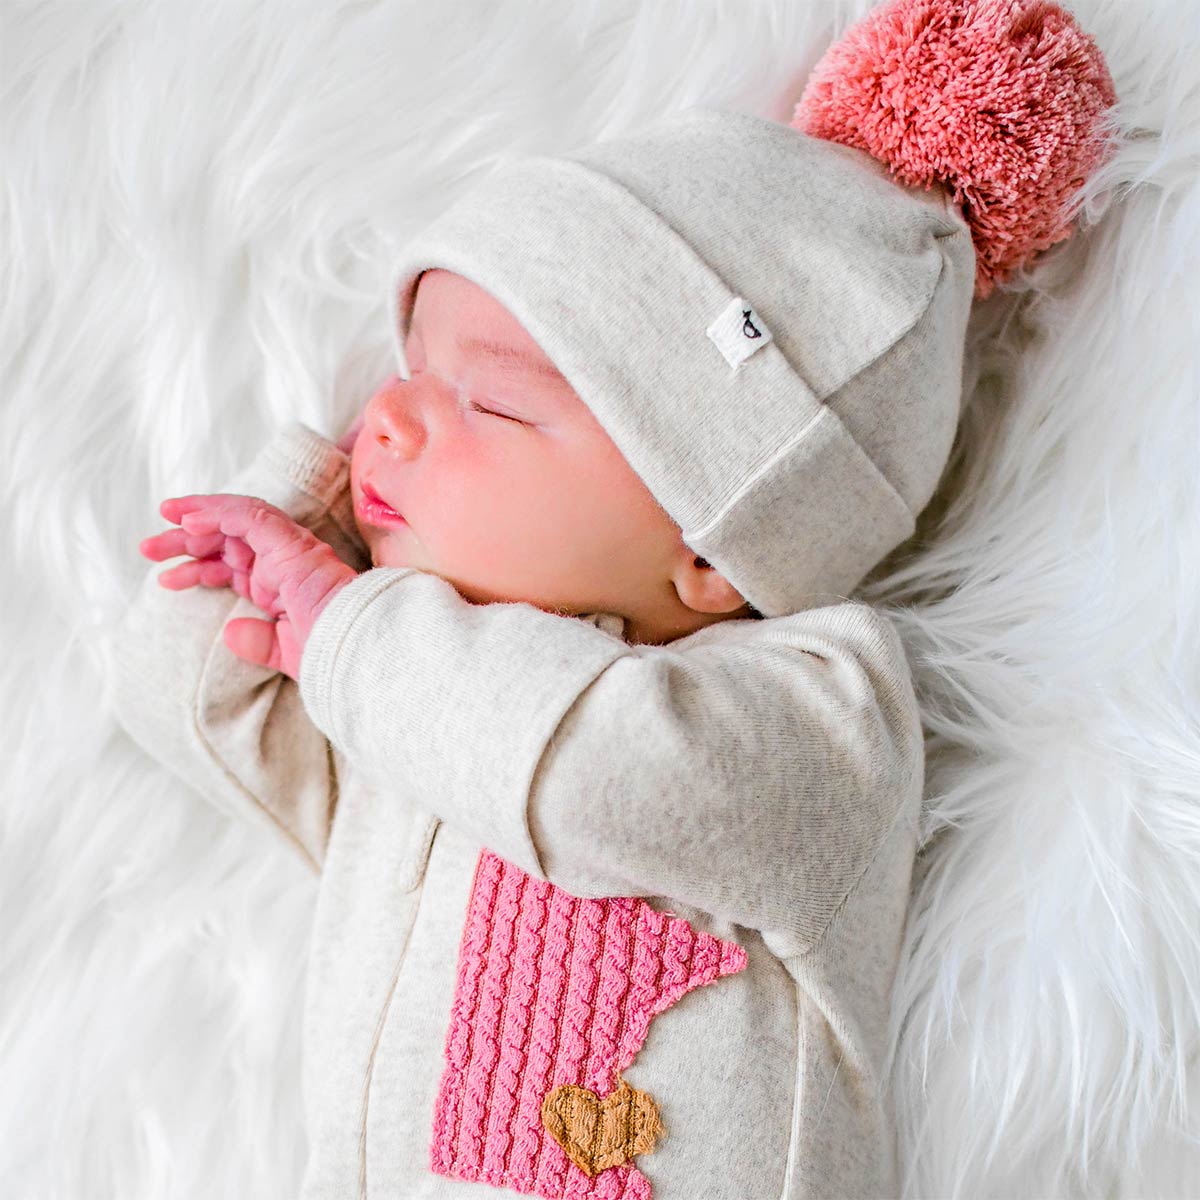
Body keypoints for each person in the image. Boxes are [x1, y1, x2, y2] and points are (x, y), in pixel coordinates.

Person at [103, 1, 1118, 1196]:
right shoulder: (397, 714)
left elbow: (603, 771)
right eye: (409, 370)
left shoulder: (819, 711)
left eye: (489, 401)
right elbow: (186, 697)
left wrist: (344, 622)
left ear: (711, 550)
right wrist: (304, 522)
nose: (391, 414)